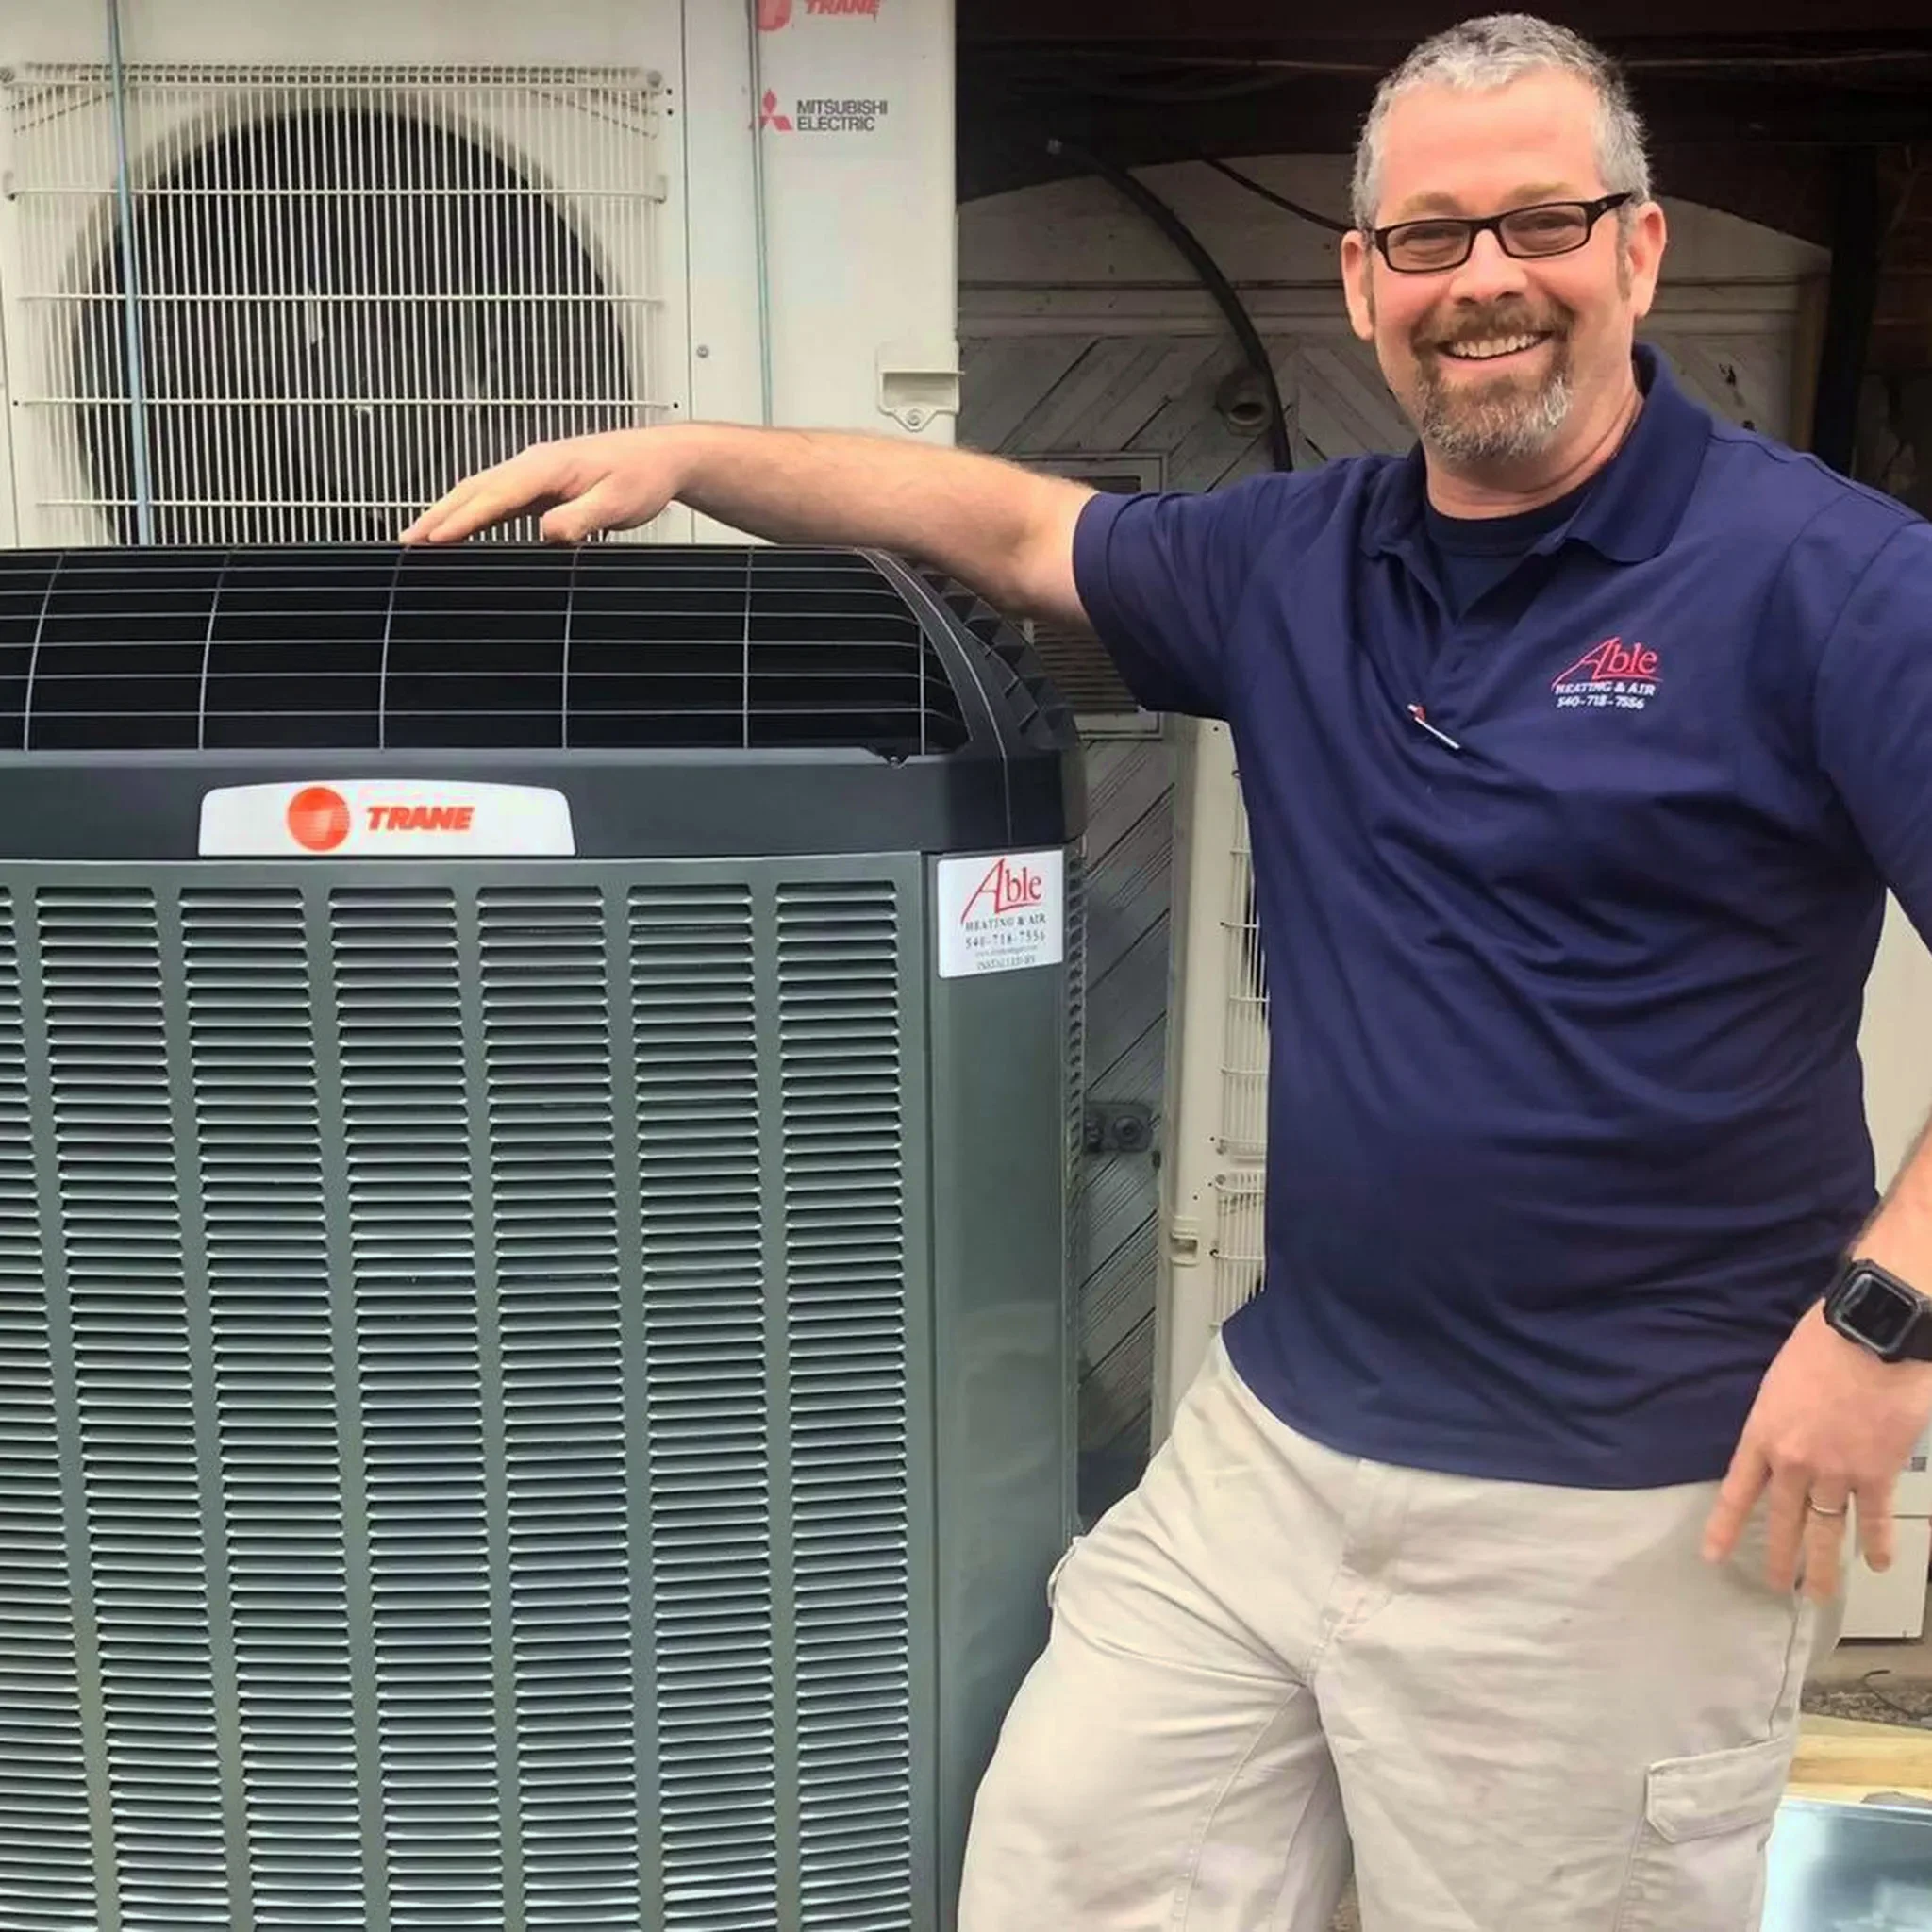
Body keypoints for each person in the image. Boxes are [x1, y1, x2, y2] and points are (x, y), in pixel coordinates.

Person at [404, 13, 1932, 1926]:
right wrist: (691, 452)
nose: (1484, 279)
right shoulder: (1302, 557)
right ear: (1361, 282)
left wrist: (1883, 1323)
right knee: (1067, 1864)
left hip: (1619, 1503)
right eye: (1431, 237)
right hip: (1278, 1444)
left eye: (1540, 222)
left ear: (1637, 249)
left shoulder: (1833, 582)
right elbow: (1013, 524)